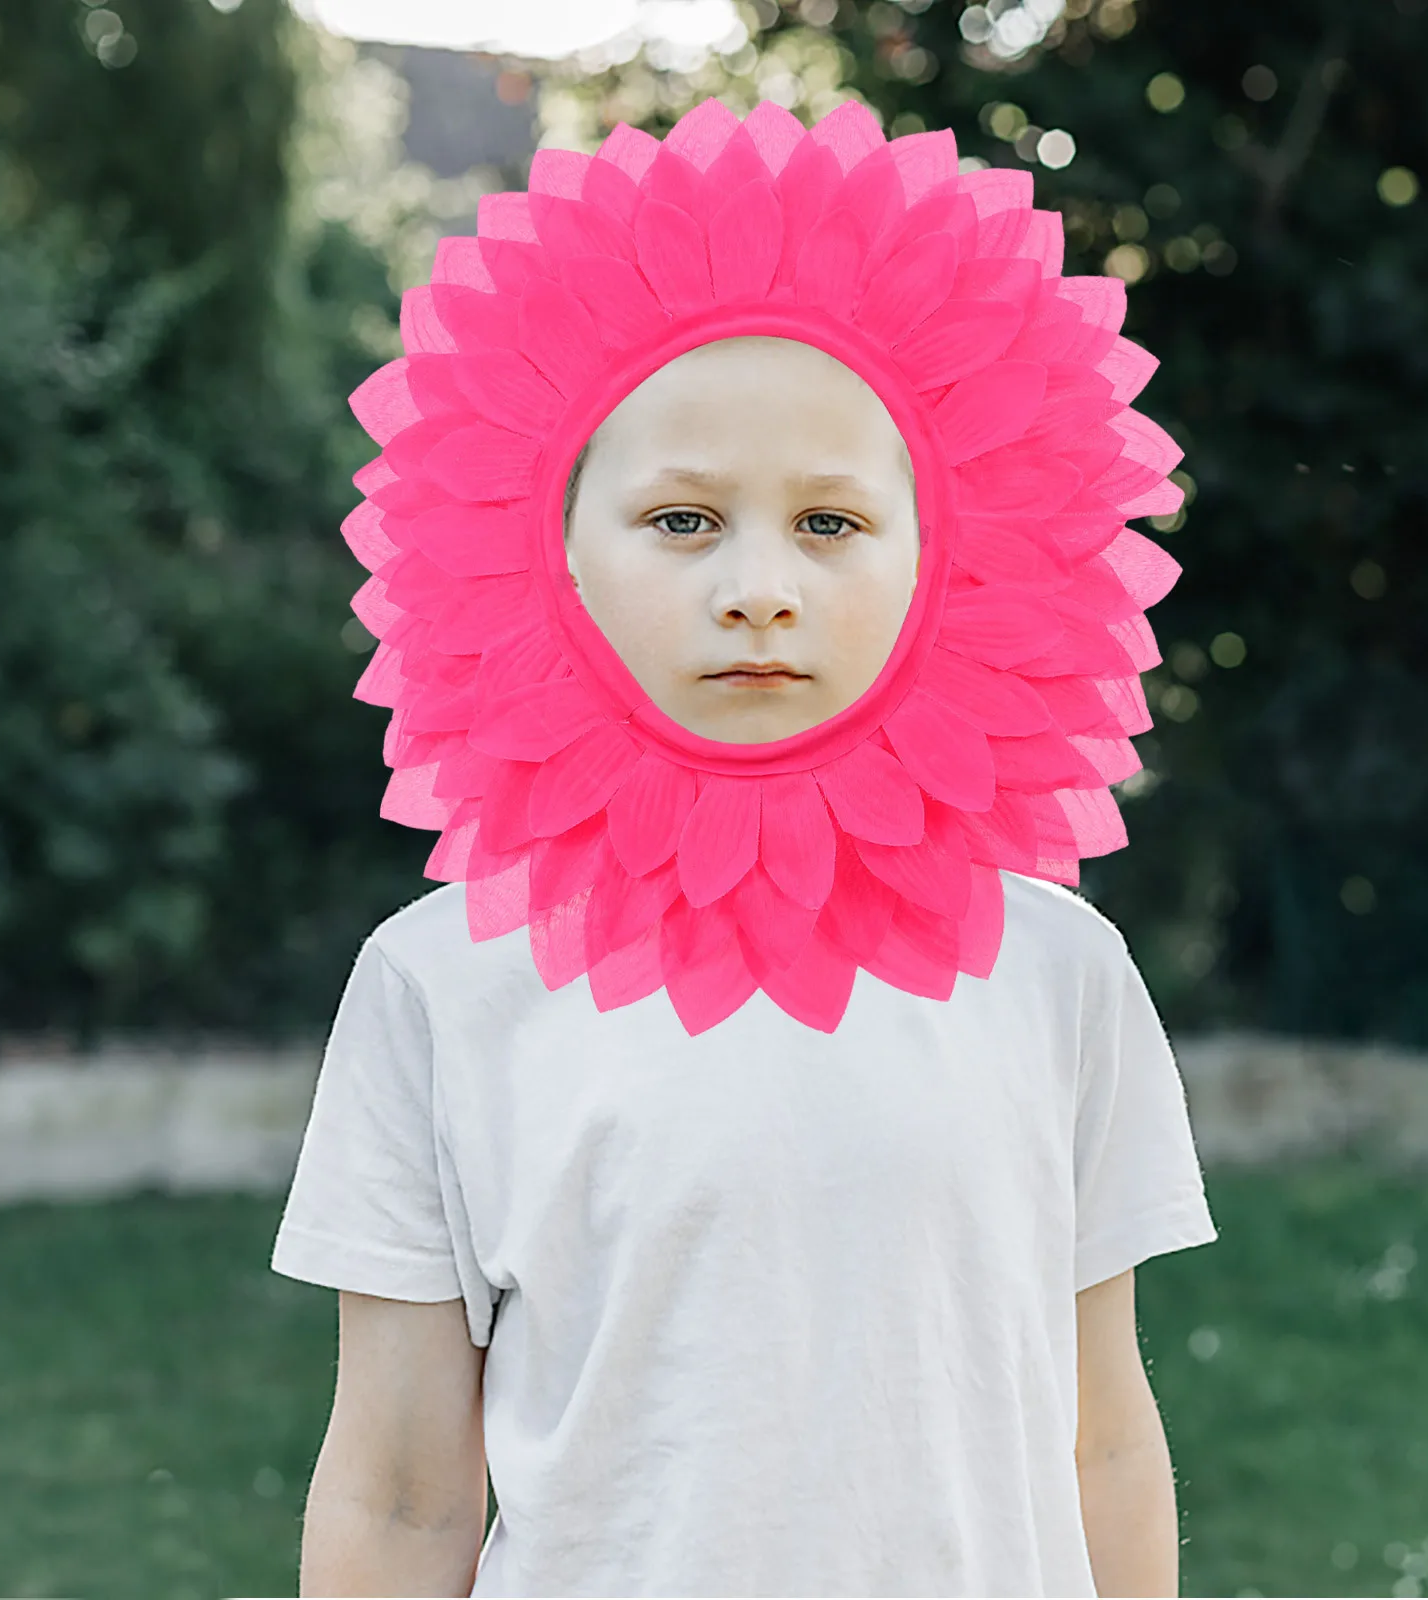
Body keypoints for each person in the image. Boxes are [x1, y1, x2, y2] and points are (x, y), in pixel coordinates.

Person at [271, 326, 1220, 1597]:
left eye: (830, 522)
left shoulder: (1058, 969)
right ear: (547, 550)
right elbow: (395, 1499)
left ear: (941, 556)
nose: (758, 586)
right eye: (681, 519)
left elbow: (1100, 1437)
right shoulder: (440, 984)